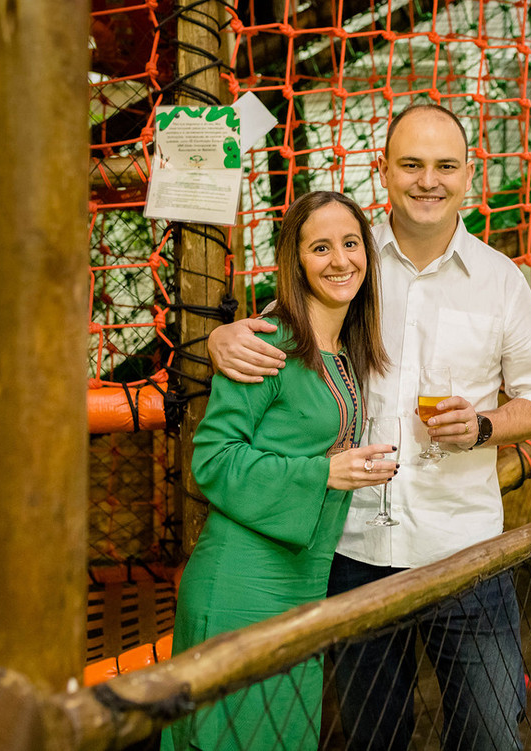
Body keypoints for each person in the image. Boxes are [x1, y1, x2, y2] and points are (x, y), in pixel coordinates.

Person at [207, 103, 531, 750]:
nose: (428, 180)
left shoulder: (500, 280)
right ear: (384, 170)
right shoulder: (348, 260)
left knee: (490, 735)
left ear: (469, 173)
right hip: (354, 550)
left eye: (445, 166)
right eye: (411, 164)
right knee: (374, 738)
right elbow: (279, 330)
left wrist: (484, 425)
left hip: (464, 550)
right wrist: (221, 337)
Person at [163, 191, 396, 751]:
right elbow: (212, 458)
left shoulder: (344, 349)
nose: (340, 260)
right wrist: (322, 474)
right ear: (296, 260)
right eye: (321, 247)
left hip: (303, 586)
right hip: (241, 586)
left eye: (351, 243)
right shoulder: (268, 342)